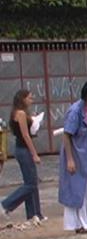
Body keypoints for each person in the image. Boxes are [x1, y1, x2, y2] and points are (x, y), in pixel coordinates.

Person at [58, 81, 87, 234]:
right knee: (77, 189)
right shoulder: (75, 111)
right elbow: (67, 135)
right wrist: (70, 160)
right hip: (76, 154)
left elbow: (86, 125)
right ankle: (78, 224)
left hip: (85, 154)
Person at [1, 90, 45, 222]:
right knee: (30, 184)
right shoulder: (20, 113)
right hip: (23, 149)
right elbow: (25, 135)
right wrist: (34, 154)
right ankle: (6, 204)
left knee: (32, 182)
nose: (31, 101)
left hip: (23, 149)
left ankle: (34, 214)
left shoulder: (23, 113)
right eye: (29, 98)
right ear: (23, 99)